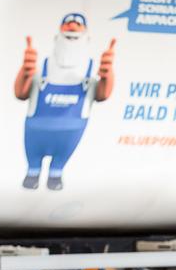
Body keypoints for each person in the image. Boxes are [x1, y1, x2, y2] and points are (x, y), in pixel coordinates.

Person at [14, 13, 116, 191]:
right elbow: (21, 93)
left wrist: (107, 76)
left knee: (60, 159)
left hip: (72, 129)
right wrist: (25, 71)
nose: (73, 26)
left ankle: (56, 174)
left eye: (78, 24)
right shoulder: (42, 64)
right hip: (36, 127)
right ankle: (33, 172)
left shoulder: (92, 68)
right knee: (33, 161)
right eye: (68, 23)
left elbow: (102, 95)